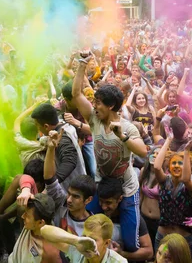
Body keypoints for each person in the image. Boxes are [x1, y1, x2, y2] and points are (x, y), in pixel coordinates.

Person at [72, 54, 147, 253]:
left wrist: (121, 136)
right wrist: (81, 64)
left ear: (111, 106)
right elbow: (77, 94)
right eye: (94, 102)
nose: (94, 106)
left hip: (127, 190)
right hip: (102, 187)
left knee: (131, 245)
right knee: (90, 231)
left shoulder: (128, 128)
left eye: (98, 102)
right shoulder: (94, 120)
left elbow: (143, 151)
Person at [43, 129, 95, 235]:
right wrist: (51, 148)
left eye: (76, 196)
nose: (69, 200)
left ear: (88, 200)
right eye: (69, 194)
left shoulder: (94, 227)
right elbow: (49, 179)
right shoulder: (61, 205)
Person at [153, 130, 192, 252]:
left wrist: (187, 152)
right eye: (174, 163)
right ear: (168, 167)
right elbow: (157, 167)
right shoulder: (164, 181)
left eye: (180, 163)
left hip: (183, 239)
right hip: (163, 236)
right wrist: (168, 140)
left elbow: (186, 178)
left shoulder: (190, 186)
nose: (177, 166)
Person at [93, 177, 153, 261]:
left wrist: (122, 254)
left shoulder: (133, 219)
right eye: (101, 201)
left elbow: (149, 252)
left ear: (120, 199)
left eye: (108, 203)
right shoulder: (96, 214)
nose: (104, 207)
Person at [31, 102, 86, 193]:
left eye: (37, 125)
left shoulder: (62, 138)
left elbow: (69, 160)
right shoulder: (65, 125)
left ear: (46, 126)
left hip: (72, 189)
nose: (37, 129)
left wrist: (53, 183)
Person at [40, 214, 127, 262]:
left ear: (107, 243)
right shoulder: (80, 248)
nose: (87, 242)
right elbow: (44, 231)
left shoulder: (119, 262)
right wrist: (76, 241)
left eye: (93, 239)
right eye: (84, 236)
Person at [8, 193, 62, 263]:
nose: (22, 216)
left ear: (40, 223)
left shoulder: (50, 253)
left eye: (27, 215)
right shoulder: (31, 226)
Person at [139, 146, 161, 247]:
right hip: (144, 218)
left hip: (158, 220)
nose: (155, 156)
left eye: (159, 154)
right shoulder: (144, 171)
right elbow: (140, 194)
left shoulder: (165, 176)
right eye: (154, 153)